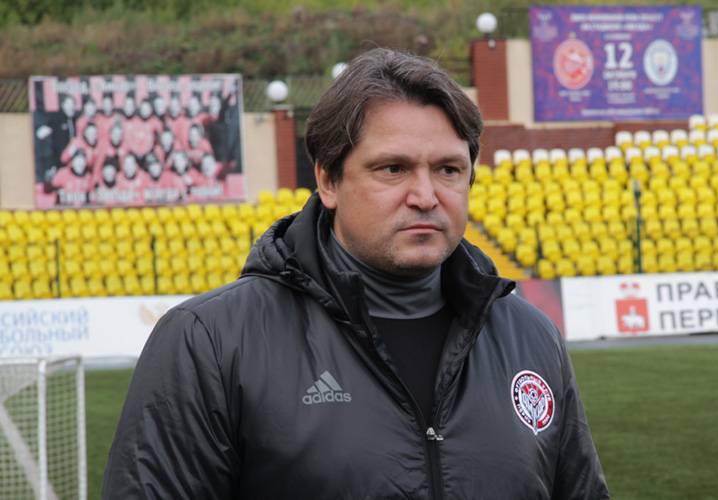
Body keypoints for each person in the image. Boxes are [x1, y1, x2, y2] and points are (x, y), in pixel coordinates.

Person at [103, 48, 610, 499]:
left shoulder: (531, 336)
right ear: (328, 180)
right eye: (393, 169)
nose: (426, 196)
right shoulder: (211, 342)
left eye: (448, 170)